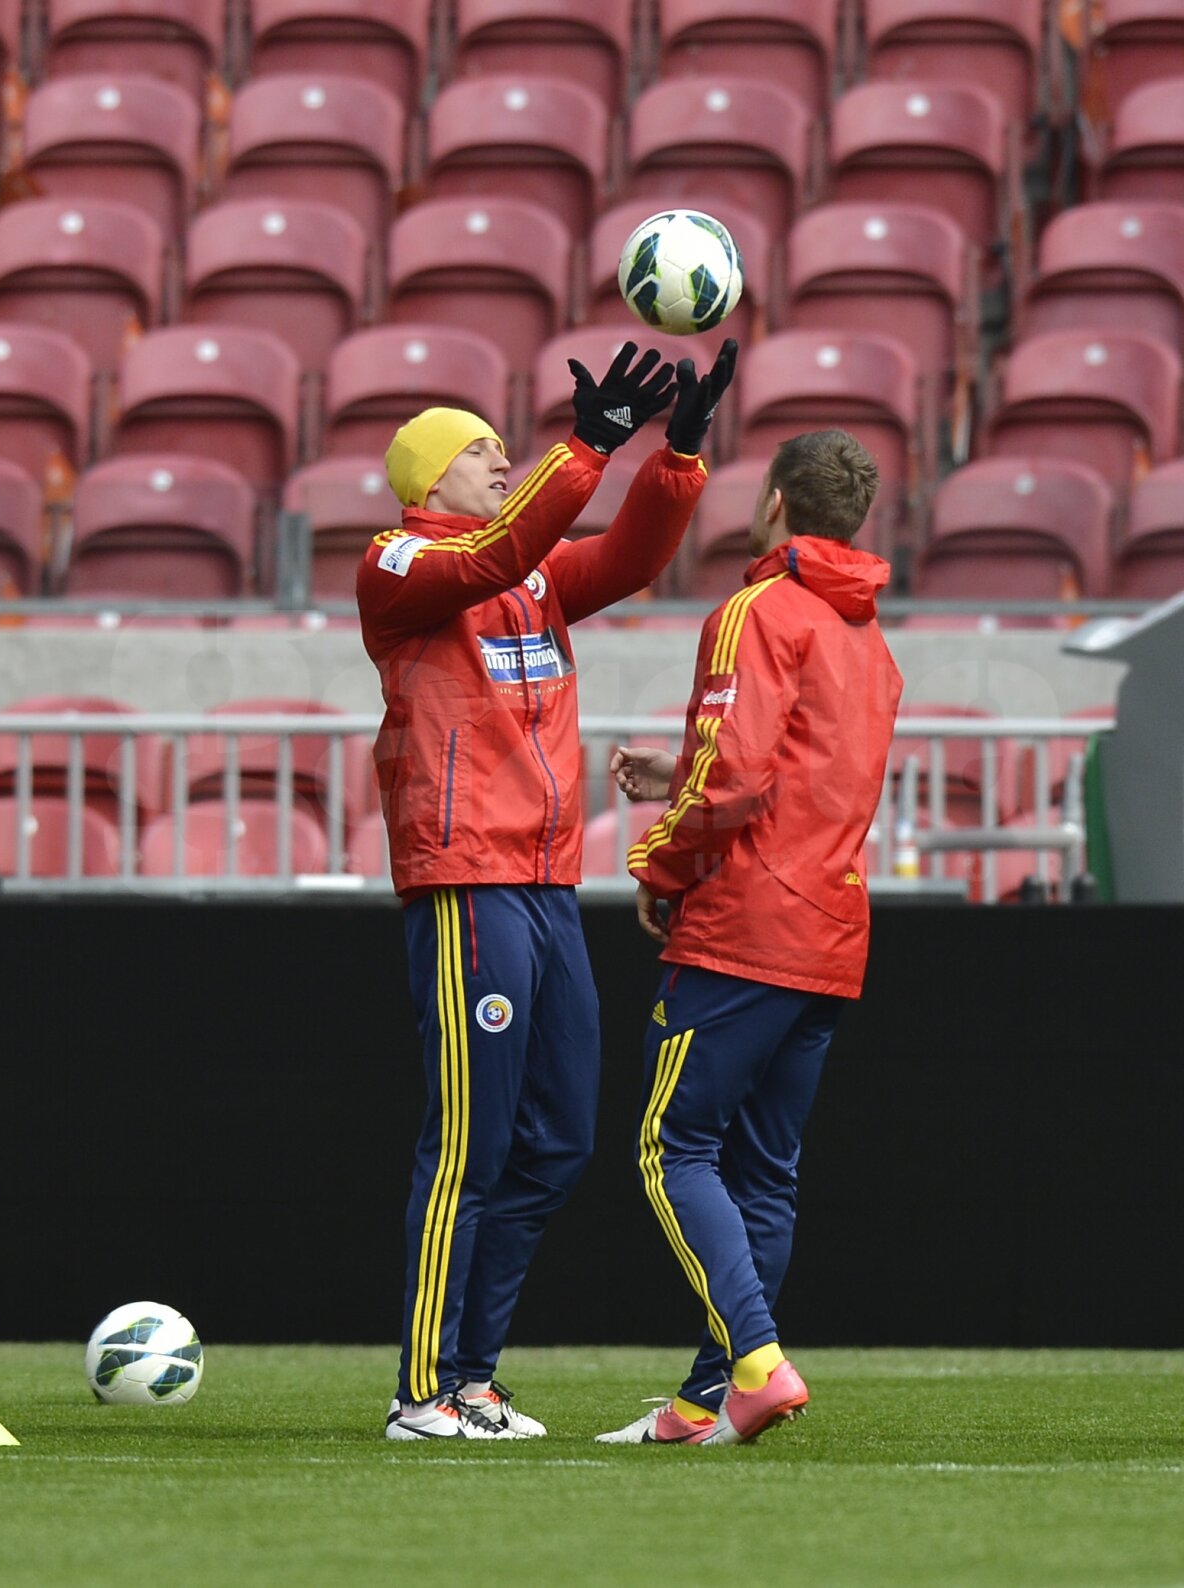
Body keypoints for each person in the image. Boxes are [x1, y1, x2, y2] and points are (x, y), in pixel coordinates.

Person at [357, 338, 738, 1442]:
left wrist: (677, 454)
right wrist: (584, 449)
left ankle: (474, 1376)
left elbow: (627, 559)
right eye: (477, 452)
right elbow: (488, 555)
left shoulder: (523, 567)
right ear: (427, 480)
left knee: (559, 1140)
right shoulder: (396, 564)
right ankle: (419, 1389)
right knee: (467, 1144)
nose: (497, 460)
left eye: (499, 448)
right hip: (467, 874)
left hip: (545, 882)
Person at [598, 428, 903, 1446]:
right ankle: (699, 1402)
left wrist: (660, 864)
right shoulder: (870, 641)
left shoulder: (755, 612)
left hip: (742, 927)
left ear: (774, 503)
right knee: (764, 1171)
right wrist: (673, 770)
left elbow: (734, 781)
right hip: (830, 932)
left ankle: (760, 1363)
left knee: (670, 1144)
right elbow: (780, 770)